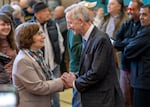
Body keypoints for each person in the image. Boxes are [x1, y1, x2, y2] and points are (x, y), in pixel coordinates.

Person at [61, 5, 123, 107]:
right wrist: (75, 76)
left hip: (104, 99)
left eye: (70, 22)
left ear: (81, 21)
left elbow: (96, 72)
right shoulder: (87, 37)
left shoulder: (100, 39)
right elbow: (88, 67)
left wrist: (75, 82)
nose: (68, 27)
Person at [12, 22, 65, 107]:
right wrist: (63, 82)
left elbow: (46, 80)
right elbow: (38, 87)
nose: (43, 36)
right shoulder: (23, 61)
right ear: (27, 38)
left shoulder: (37, 55)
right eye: (39, 34)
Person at [29, 2, 64, 107]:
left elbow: (60, 41)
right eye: (45, 11)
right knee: (42, 94)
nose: (48, 13)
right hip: (39, 67)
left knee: (55, 93)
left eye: (48, 10)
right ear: (37, 14)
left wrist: (58, 59)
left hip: (54, 65)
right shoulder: (31, 27)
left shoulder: (53, 24)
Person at [114, 0, 143, 107]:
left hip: (138, 68)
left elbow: (137, 45)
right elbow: (116, 41)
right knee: (125, 98)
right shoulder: (126, 24)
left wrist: (124, 43)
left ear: (140, 11)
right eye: (128, 9)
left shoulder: (144, 26)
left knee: (136, 99)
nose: (129, 11)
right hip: (125, 67)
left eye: (132, 9)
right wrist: (129, 42)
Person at [124, 4, 150, 107]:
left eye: (145, 15)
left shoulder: (147, 33)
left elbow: (128, 50)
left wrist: (126, 43)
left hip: (144, 83)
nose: (141, 17)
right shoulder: (142, 30)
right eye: (140, 14)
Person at [0, 13, 16, 84]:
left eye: (8, 24)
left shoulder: (13, 41)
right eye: (3, 25)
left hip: (14, 80)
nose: (6, 27)